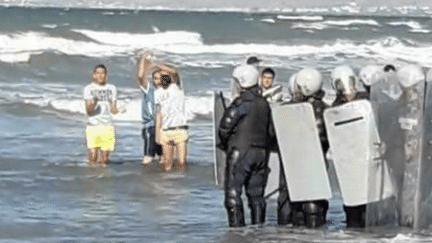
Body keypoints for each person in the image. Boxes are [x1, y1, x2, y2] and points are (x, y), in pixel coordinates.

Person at [218, 64, 275, 227]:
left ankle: (237, 234)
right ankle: (258, 231)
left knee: (233, 196)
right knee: (257, 197)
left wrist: (224, 145)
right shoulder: (264, 103)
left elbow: (224, 127)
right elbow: (270, 131)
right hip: (261, 154)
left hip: (240, 153)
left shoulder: (241, 102)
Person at [278, 67, 329, 227]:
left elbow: (276, 135)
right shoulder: (327, 110)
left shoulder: (289, 109)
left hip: (295, 162)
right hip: (318, 160)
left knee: (293, 202)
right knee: (315, 199)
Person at [84, 64, 119, 167]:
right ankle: (92, 178)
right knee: (93, 157)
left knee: (104, 159)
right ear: (93, 75)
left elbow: (113, 109)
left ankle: (103, 177)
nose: (100, 75)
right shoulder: (89, 88)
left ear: (106, 75)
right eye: (98, 73)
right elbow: (88, 111)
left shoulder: (112, 88)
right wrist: (93, 104)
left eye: (103, 73)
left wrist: (117, 109)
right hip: (93, 125)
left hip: (107, 126)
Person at [155, 74, 188, 172]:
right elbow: (159, 113)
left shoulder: (177, 88)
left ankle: (181, 184)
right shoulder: (158, 92)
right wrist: (157, 134)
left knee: (181, 163)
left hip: (180, 129)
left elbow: (175, 73)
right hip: (165, 130)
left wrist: (159, 64)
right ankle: (169, 185)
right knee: (167, 165)